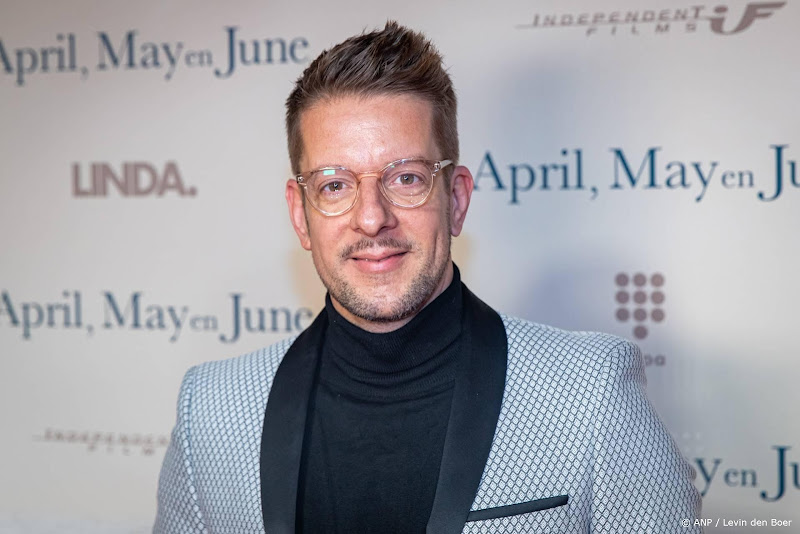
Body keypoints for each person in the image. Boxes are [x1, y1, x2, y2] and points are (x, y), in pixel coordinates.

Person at [155, 21, 702, 534]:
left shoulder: (592, 394)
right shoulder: (212, 410)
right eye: (335, 185)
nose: (372, 218)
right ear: (301, 214)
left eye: (407, 178)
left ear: (456, 199)